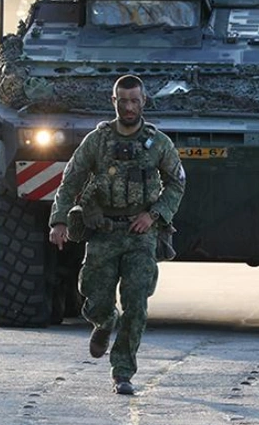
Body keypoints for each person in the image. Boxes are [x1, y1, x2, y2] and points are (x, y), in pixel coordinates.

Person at [48, 75, 186, 395]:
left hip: (141, 235)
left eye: (134, 101)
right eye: (122, 101)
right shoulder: (97, 141)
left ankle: (122, 371)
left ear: (143, 102)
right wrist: (59, 222)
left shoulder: (158, 143)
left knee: (136, 302)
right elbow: (71, 181)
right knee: (94, 297)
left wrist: (153, 215)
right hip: (103, 232)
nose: (128, 107)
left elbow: (177, 182)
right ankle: (104, 321)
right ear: (114, 102)